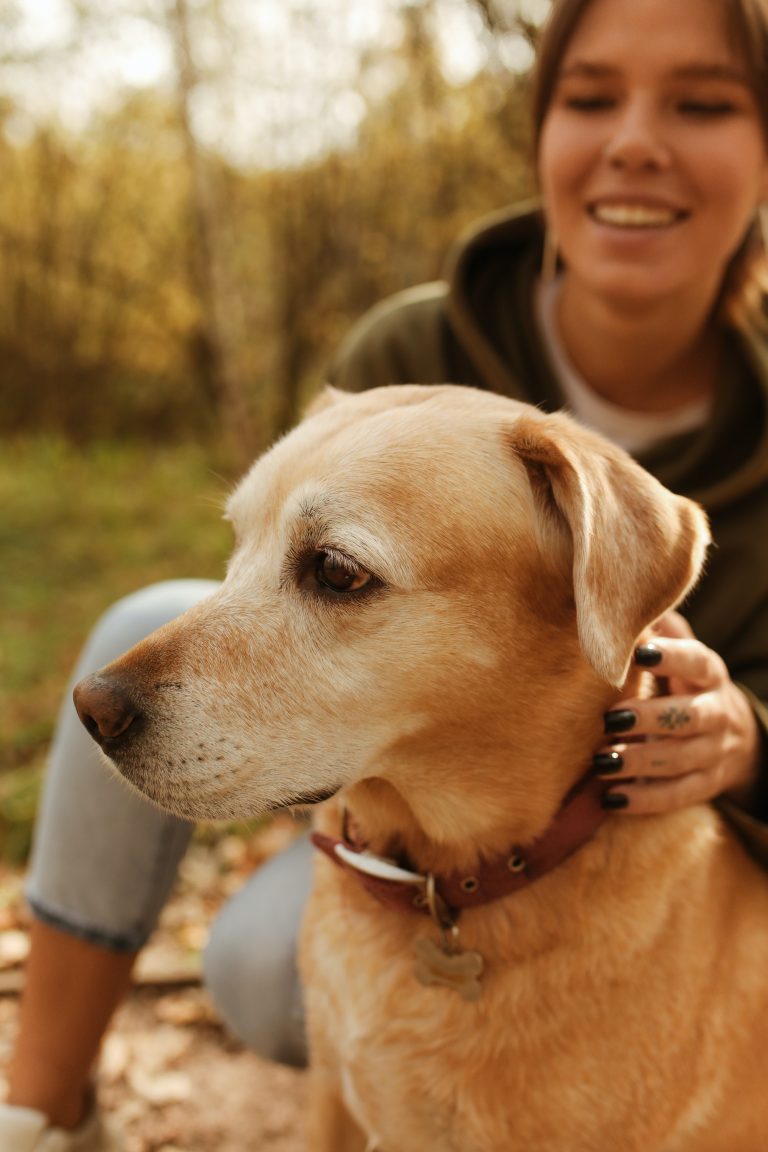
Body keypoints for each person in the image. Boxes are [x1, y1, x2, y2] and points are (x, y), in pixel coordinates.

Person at [3, 0, 768, 1146]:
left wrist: (752, 734)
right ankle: (36, 1108)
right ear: (542, 129)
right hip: (409, 830)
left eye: (700, 103)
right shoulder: (402, 350)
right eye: (590, 96)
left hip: (650, 818)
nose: (635, 141)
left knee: (264, 972)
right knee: (154, 624)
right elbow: (291, 576)